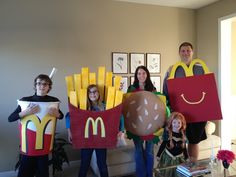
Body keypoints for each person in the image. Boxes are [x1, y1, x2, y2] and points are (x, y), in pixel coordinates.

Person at [8, 74, 64, 177]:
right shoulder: (25, 101)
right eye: (39, 83)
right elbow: (11, 118)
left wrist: (58, 115)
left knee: (43, 172)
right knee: (25, 172)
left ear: (49, 87)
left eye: (45, 84)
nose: (42, 86)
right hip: (29, 145)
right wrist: (26, 112)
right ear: (35, 85)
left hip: (44, 145)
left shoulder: (53, 101)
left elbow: (61, 116)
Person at [65, 84, 124, 177]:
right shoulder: (83, 106)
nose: (92, 94)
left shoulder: (105, 105)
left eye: (95, 91)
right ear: (87, 94)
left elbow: (119, 115)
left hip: (101, 140)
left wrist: (121, 129)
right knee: (84, 164)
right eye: (90, 92)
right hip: (87, 139)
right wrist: (69, 131)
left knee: (102, 165)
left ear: (99, 93)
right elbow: (69, 116)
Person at [163, 42, 207, 162]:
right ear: (179, 53)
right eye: (183, 51)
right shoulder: (172, 70)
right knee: (179, 140)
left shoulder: (201, 69)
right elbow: (166, 91)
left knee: (193, 141)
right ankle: (181, 170)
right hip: (179, 113)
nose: (186, 53)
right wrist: (169, 110)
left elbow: (208, 90)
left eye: (188, 50)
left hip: (197, 113)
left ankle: (193, 168)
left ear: (192, 52)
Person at [127, 65, 156, 177]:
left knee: (149, 152)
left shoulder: (152, 89)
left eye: (143, 73)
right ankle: (141, 175)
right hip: (136, 125)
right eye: (139, 73)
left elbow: (156, 107)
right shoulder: (131, 89)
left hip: (150, 125)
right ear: (136, 75)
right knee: (138, 151)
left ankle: (149, 174)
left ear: (147, 74)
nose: (141, 75)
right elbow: (127, 107)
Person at [156, 112, 188, 177]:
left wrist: (186, 157)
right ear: (171, 123)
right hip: (168, 158)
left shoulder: (183, 134)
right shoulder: (168, 133)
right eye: (174, 122)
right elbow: (163, 144)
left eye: (179, 123)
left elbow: (184, 148)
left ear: (182, 124)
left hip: (179, 159)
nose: (176, 124)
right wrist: (158, 155)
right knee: (167, 174)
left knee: (179, 174)